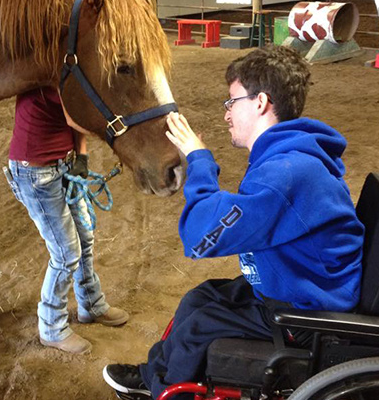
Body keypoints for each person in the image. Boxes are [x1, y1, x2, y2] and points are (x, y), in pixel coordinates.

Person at [102, 45, 364, 399]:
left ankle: (166, 391)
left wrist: (199, 160)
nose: (226, 114)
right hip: (294, 286)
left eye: (232, 102)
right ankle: (155, 376)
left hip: (307, 313)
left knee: (199, 325)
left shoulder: (287, 173)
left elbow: (200, 237)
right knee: (199, 298)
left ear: (260, 102)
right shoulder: (288, 158)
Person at [5, 87, 129, 354]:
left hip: (62, 164)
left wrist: (81, 156)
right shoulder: (44, 76)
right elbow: (79, 116)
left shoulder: (65, 74)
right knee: (66, 252)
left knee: (85, 236)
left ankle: (91, 304)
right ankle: (51, 328)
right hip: (36, 174)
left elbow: (77, 118)